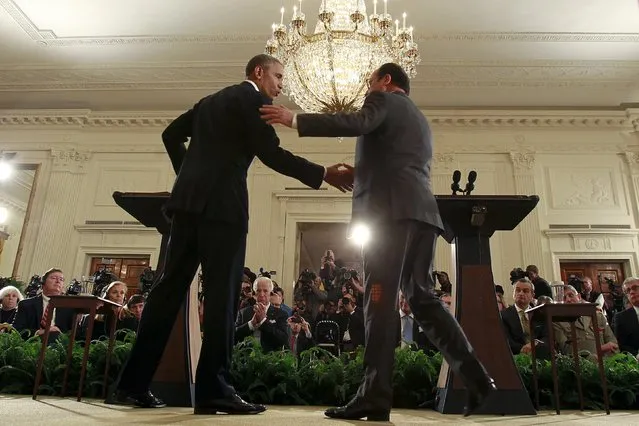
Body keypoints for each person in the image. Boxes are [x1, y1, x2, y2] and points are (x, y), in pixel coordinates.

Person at [107, 54, 352, 415]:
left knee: (166, 294)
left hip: (187, 208)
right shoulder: (253, 101)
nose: (281, 85)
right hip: (223, 212)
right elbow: (271, 154)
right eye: (278, 76)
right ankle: (213, 390)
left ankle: (131, 385)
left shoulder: (210, 102)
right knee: (222, 298)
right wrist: (323, 173)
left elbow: (170, 134)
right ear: (258, 72)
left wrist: (188, 176)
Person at [260, 63, 496, 420]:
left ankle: (373, 396)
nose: (367, 88)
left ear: (386, 81)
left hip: (389, 218)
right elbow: (398, 163)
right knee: (424, 301)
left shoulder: (382, 99)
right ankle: (479, 379)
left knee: (378, 305)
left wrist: (295, 119)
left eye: (370, 81)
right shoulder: (417, 118)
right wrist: (363, 172)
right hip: (422, 216)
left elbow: (357, 122)